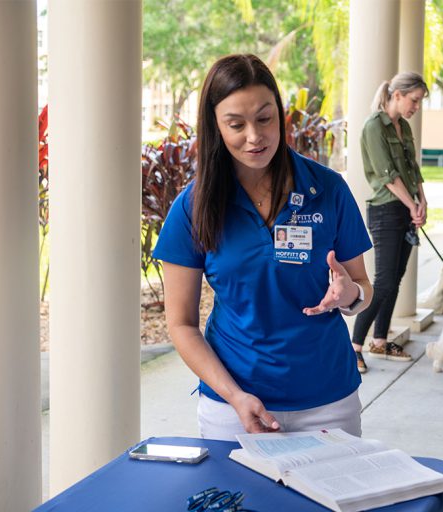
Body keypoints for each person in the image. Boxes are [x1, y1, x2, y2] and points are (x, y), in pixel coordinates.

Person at [153, 54, 373, 441]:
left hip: (328, 403)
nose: (254, 136)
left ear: (281, 115)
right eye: (236, 124)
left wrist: (348, 294)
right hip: (233, 407)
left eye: (265, 118)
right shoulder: (193, 206)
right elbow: (181, 324)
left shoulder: (328, 189)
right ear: (215, 127)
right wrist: (235, 396)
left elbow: (362, 288)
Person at [350, 72, 429, 373]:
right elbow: (386, 174)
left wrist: (421, 202)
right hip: (386, 209)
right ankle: (355, 346)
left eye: (419, 102)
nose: (416, 107)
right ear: (397, 95)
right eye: (414, 100)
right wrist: (412, 205)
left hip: (406, 209)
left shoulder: (404, 127)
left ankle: (380, 341)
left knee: (395, 278)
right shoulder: (374, 126)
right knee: (382, 281)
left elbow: (413, 168)